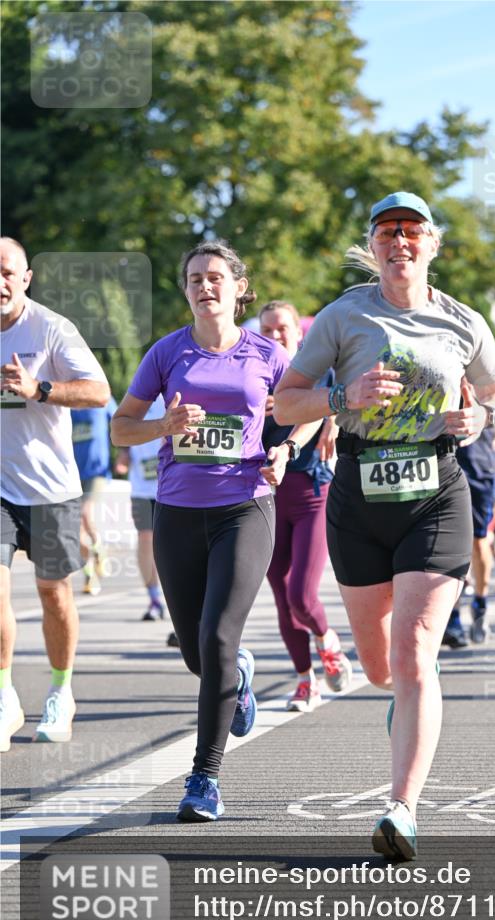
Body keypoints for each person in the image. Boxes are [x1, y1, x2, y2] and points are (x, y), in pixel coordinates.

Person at [274, 192, 495, 859]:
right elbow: (284, 401)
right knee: (380, 668)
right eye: (387, 231)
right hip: (356, 496)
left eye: (412, 231)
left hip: (434, 494)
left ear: (432, 243)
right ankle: (403, 700)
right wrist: (338, 397)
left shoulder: (462, 322)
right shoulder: (344, 314)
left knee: (414, 657)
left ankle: (400, 809)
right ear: (373, 244)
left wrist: (485, 418)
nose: (399, 241)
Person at [111, 240, 321, 822]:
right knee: (199, 652)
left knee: (220, 637)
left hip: (245, 507)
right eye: (195, 278)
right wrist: (164, 425)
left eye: (216, 278)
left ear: (238, 288)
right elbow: (120, 429)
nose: (206, 286)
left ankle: (204, 778)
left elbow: (310, 408)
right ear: (186, 290)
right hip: (177, 511)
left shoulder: (266, 354)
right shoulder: (166, 352)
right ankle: (241, 679)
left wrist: (285, 452)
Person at [0, 237, 110, 752]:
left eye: (7, 273)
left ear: (25, 278)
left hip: (50, 489)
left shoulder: (50, 328)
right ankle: (3, 696)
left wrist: (38, 389)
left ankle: (61, 691)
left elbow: (98, 391)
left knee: (53, 594)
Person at [259, 300, 352, 711]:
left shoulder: (321, 372)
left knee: (301, 592)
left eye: (282, 328)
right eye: (267, 329)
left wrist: (331, 416)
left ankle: (328, 639)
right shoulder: (253, 374)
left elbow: (345, 398)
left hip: (313, 491)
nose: (275, 335)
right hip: (266, 497)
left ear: (299, 332)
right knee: (281, 594)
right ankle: (305, 679)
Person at [442, 428, 495, 648]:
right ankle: (452, 617)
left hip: (477, 466)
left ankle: (480, 603)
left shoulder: (488, 391)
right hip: (440, 462)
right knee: (448, 544)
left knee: (478, 542)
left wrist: (486, 411)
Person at [113, 397, 166, 621]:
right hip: (142, 489)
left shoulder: (176, 390)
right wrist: (123, 455)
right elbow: (122, 428)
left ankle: (181, 599)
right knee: (145, 539)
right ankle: (154, 598)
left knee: (173, 545)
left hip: (173, 485)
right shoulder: (137, 396)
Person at [71, 398, 117, 595]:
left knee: (84, 514)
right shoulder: (64, 403)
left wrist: (125, 453)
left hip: (96, 471)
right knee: (75, 527)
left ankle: (98, 548)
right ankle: (89, 574)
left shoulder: (101, 399)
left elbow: (121, 421)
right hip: (71, 472)